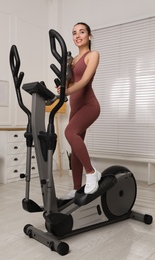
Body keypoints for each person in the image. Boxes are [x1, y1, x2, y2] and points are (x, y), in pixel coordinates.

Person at [57, 22, 101, 200]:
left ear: (89, 36)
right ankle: (76, 188)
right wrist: (61, 87)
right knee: (74, 147)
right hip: (75, 108)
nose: (77, 35)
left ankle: (91, 173)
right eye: (74, 33)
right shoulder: (71, 60)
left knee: (69, 132)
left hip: (89, 106)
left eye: (82, 32)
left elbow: (83, 81)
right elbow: (68, 83)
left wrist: (67, 91)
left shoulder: (93, 55)